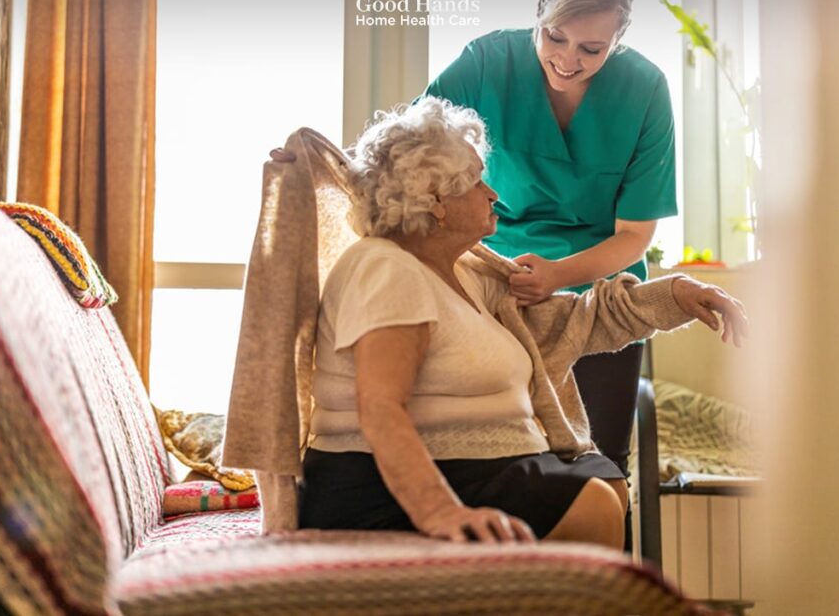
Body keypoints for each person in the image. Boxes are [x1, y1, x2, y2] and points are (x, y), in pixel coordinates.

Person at [297, 98, 746, 546]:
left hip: (478, 467)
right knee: (591, 504)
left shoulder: (470, 275)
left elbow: (578, 321)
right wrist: (439, 510)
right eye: (476, 181)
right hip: (378, 485)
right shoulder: (386, 268)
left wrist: (678, 294)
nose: (492, 194)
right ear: (435, 200)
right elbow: (379, 405)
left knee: (603, 484)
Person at [423, 0, 675, 506]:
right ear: (539, 13)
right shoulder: (488, 61)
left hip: (600, 294)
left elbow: (635, 234)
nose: (567, 60)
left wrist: (560, 274)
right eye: (554, 37)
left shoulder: (646, 90)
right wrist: (318, 163)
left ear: (620, 37)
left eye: (592, 49)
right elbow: (410, 149)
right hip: (494, 285)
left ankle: (606, 591)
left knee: (601, 465)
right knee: (499, 461)